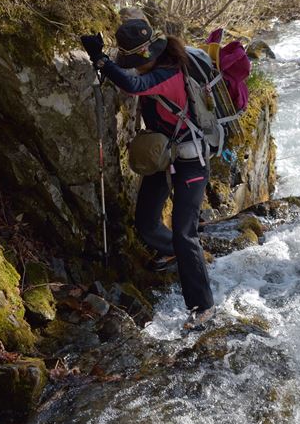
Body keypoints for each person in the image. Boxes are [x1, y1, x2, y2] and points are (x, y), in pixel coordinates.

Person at [81, 19, 215, 329]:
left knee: (185, 232)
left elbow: (133, 85)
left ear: (150, 55)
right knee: (145, 223)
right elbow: (129, 78)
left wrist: (101, 60)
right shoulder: (157, 66)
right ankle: (178, 254)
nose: (133, 67)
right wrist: (104, 60)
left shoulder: (169, 73)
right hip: (164, 157)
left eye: (135, 61)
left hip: (191, 162)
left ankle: (203, 307)